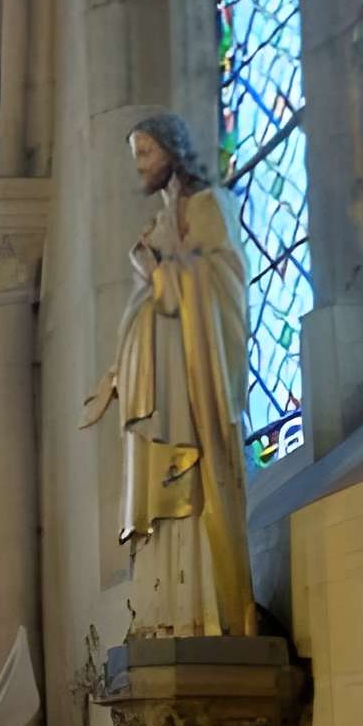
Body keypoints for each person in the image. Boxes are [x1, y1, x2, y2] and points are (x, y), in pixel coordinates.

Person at [80, 112, 256, 637]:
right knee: (161, 491)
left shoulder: (207, 206)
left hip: (192, 382)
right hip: (159, 387)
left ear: (173, 151)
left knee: (191, 482)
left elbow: (222, 279)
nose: (139, 165)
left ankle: (204, 610)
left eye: (146, 152)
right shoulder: (158, 221)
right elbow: (151, 298)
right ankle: (166, 612)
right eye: (135, 154)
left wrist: (161, 274)